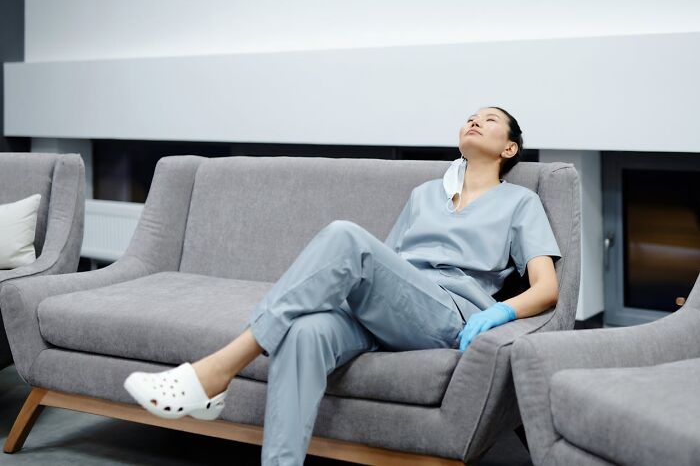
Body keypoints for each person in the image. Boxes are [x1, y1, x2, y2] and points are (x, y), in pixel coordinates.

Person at [124, 106, 561, 465]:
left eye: (488, 119)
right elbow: (386, 263)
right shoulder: (425, 194)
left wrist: (499, 311)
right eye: (470, 116)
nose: (474, 120)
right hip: (394, 305)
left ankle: (216, 371)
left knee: (345, 235)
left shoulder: (520, 202)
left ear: (509, 147)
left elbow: (546, 287)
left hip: (447, 311)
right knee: (305, 331)